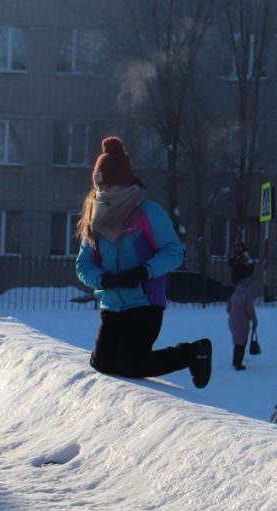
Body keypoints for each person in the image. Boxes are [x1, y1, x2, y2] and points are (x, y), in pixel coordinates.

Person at [75, 137, 211, 389]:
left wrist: (144, 271)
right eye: (101, 188)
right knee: (103, 364)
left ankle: (193, 353)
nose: (105, 194)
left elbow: (174, 251)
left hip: (144, 303)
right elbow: (83, 264)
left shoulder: (148, 213)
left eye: (111, 187)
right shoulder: (95, 217)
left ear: (125, 182)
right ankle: (186, 353)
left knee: (130, 365)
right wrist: (102, 279)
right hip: (111, 303)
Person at [226, 241, 257, 370]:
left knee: (238, 341)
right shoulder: (246, 295)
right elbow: (250, 309)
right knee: (241, 342)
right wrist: (254, 320)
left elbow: (228, 307)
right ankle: (237, 363)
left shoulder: (244, 256)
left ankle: (236, 361)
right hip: (242, 321)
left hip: (233, 319)